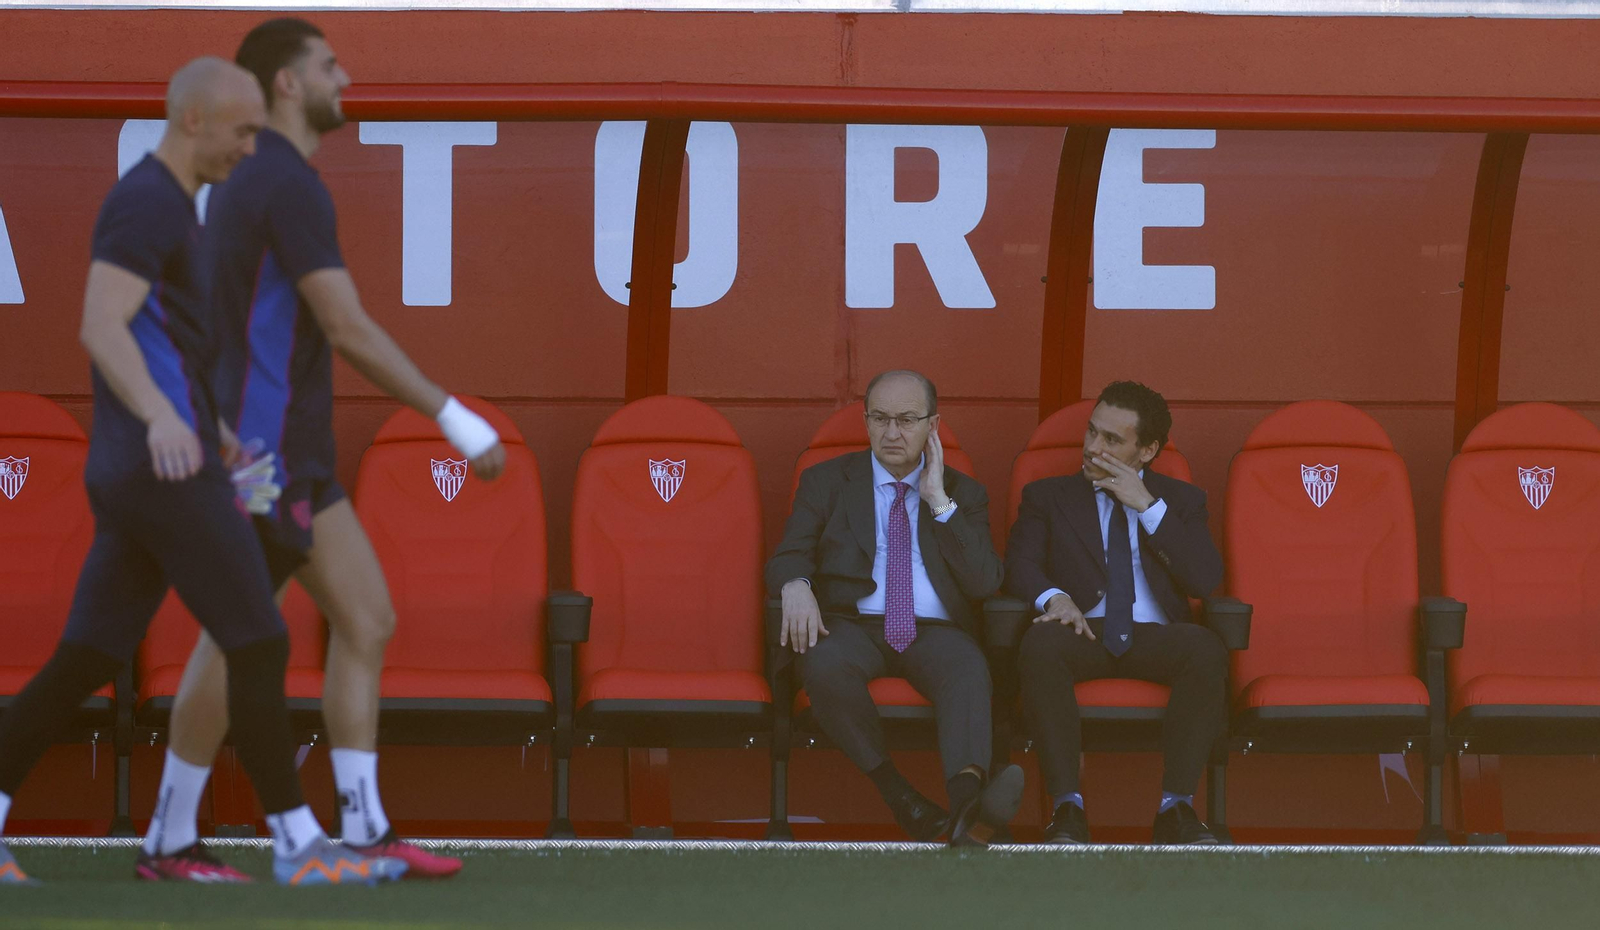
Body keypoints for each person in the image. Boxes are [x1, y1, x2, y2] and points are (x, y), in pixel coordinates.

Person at [0, 58, 405, 886]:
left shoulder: (177, 208)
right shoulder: (147, 203)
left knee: (86, 656)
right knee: (258, 638)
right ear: (193, 120)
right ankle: (298, 846)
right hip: (162, 472)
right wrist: (161, 420)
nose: (251, 148)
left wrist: (216, 432)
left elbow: (170, 347)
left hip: (157, 465)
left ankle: (170, 849)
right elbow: (101, 325)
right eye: (242, 131)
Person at [137, 18, 504, 881]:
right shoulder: (282, 182)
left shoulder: (260, 178)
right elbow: (345, 326)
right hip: (259, 460)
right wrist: (454, 416)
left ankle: (362, 828)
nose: (346, 79)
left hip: (291, 453)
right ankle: (171, 838)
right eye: (330, 66)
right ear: (288, 83)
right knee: (235, 642)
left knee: (365, 617)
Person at [766, 370, 1020, 845]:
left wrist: (938, 500)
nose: (891, 432)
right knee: (822, 663)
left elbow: (985, 582)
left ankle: (967, 804)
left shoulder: (963, 493)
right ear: (865, 422)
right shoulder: (827, 482)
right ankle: (904, 800)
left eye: (906, 420)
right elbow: (789, 554)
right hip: (850, 626)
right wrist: (795, 584)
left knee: (967, 667)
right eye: (880, 418)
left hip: (934, 630)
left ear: (933, 425)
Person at [1005, 381, 1227, 845]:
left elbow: (1204, 580)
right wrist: (1055, 598)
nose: (1092, 447)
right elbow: (1021, 565)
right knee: (1040, 644)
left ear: (1147, 450)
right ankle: (1066, 809)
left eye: (1110, 439)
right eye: (1091, 432)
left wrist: (1147, 507)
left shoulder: (1181, 502)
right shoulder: (1047, 496)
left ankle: (1177, 808)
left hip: (1155, 637)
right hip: (1080, 630)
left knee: (1206, 650)